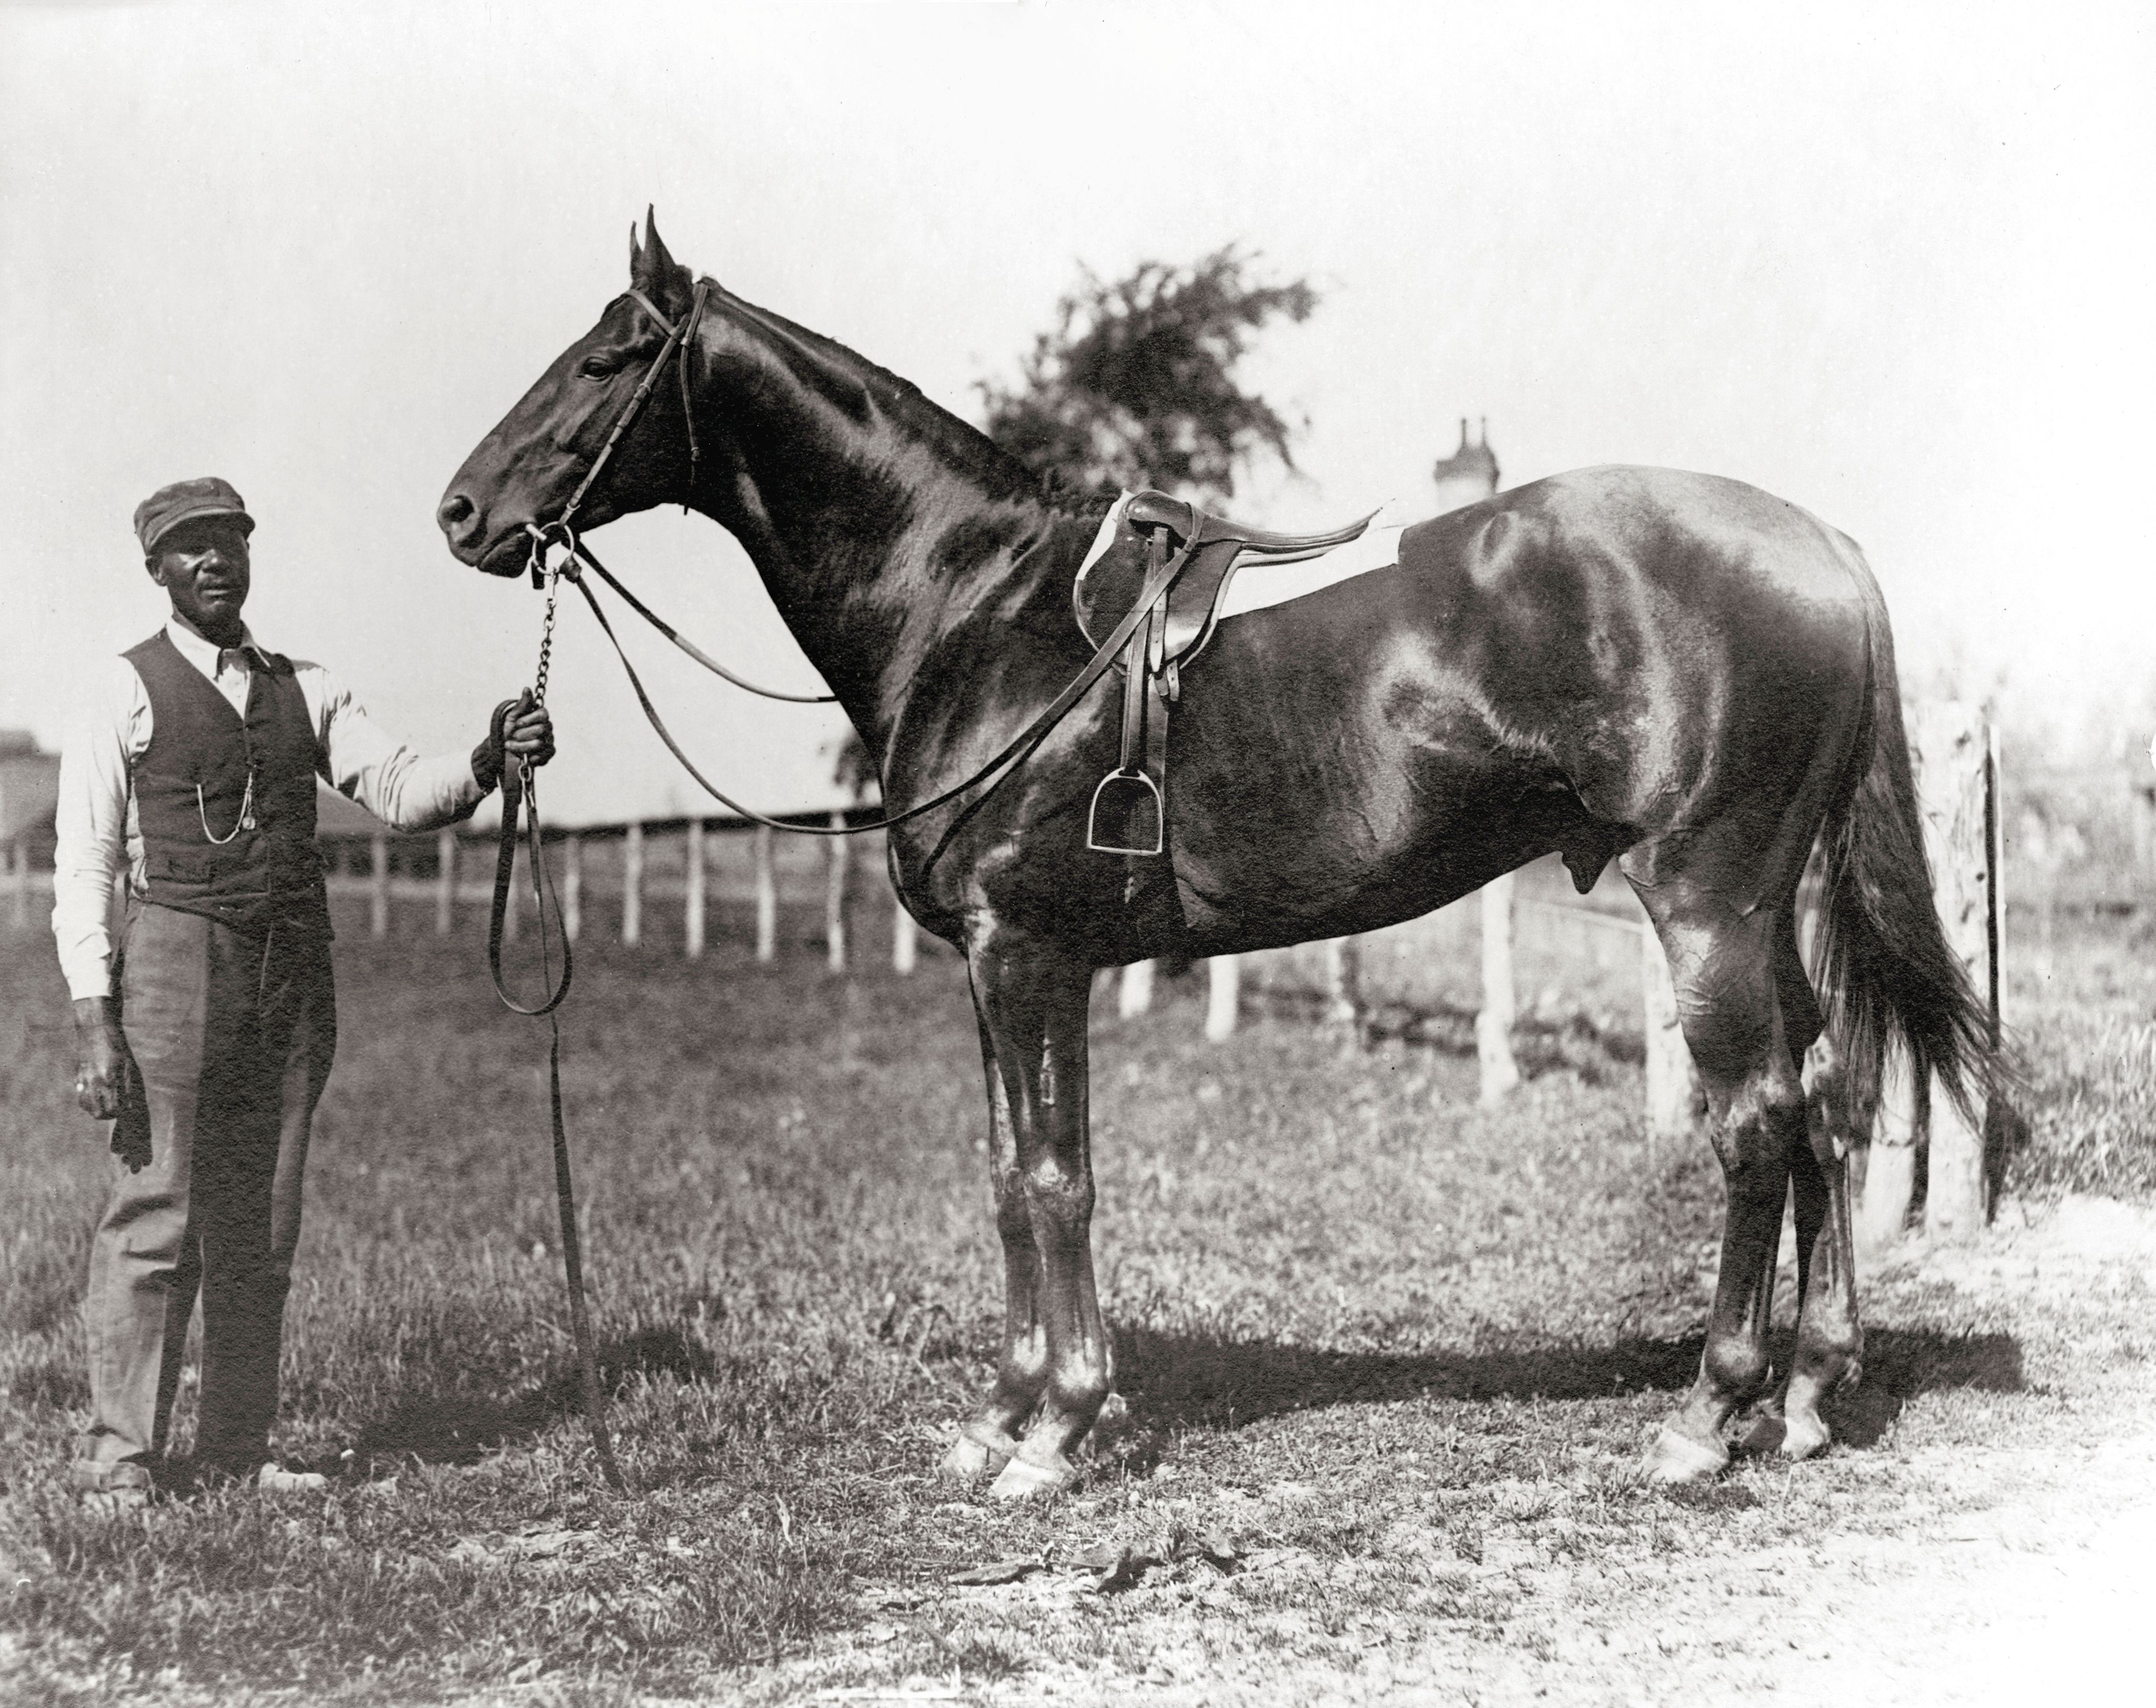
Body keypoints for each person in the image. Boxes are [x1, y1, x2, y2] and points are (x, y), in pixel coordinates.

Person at [54, 476, 553, 1510]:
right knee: (158, 1210)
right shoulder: (123, 687)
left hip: (292, 972)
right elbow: (83, 860)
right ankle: (119, 1460)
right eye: (190, 548)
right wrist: (94, 1017)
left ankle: (236, 1448)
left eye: (228, 542)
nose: (214, 562)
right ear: (157, 569)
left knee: (260, 1222)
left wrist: (486, 758)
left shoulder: (306, 686)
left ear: (248, 554)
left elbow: (404, 790)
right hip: (174, 966)